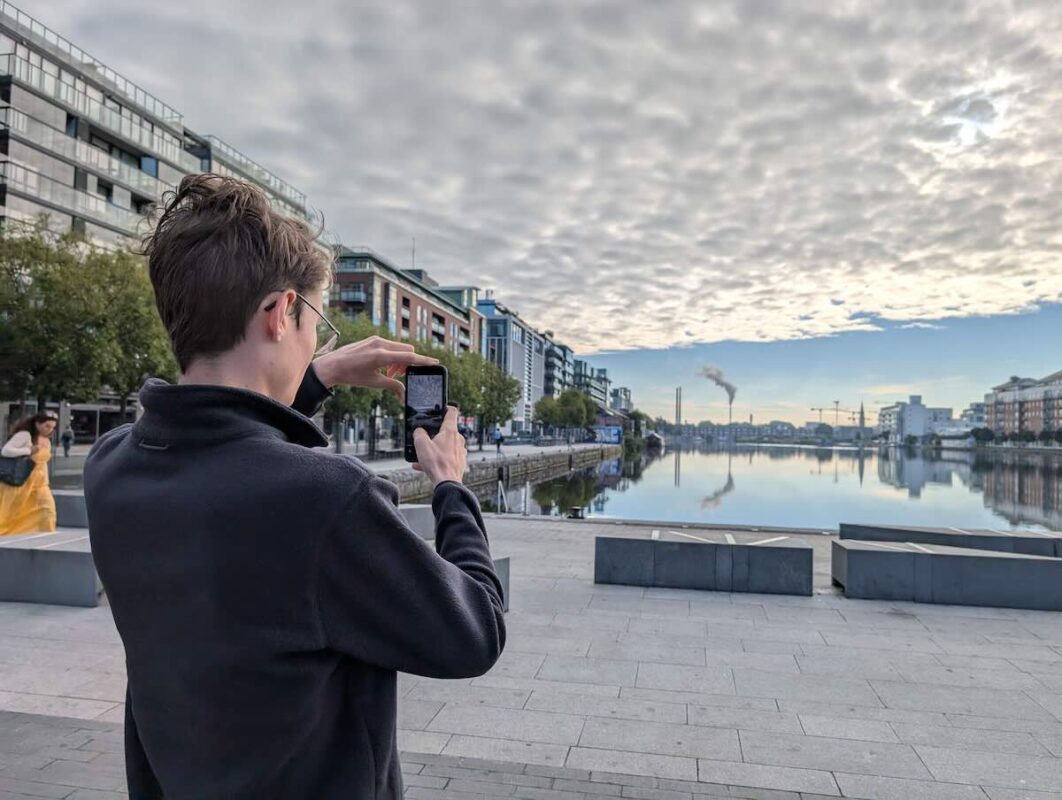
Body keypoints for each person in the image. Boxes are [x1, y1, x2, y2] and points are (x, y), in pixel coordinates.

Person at [84, 175, 506, 800]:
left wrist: (317, 375)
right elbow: (474, 631)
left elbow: (222, 440)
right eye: (315, 322)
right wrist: (449, 486)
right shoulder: (327, 499)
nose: (317, 340)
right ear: (280, 313)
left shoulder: (113, 466)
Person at [0, 412, 58, 535]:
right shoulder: (25, 435)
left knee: (48, 509)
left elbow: (42, 464)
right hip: (22, 482)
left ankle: (46, 536)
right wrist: (29, 450)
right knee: (11, 514)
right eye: (47, 426)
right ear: (37, 424)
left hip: (40, 484)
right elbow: (6, 451)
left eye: (53, 427)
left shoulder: (46, 440)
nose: (50, 430)